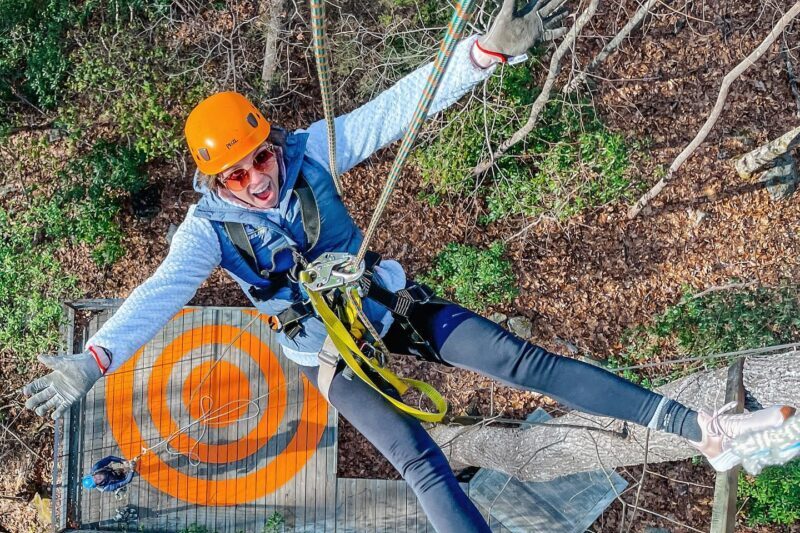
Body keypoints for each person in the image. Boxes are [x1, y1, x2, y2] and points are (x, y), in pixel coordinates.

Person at [22, 1, 796, 531]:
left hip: (387, 302)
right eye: (239, 175)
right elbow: (161, 291)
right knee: (420, 461)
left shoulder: (311, 151)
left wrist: (482, 55)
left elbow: (396, 108)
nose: (259, 179)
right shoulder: (205, 233)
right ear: (213, 182)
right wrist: (96, 359)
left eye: (261, 159)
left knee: (524, 362)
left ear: (271, 141)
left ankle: (706, 429)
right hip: (327, 352)